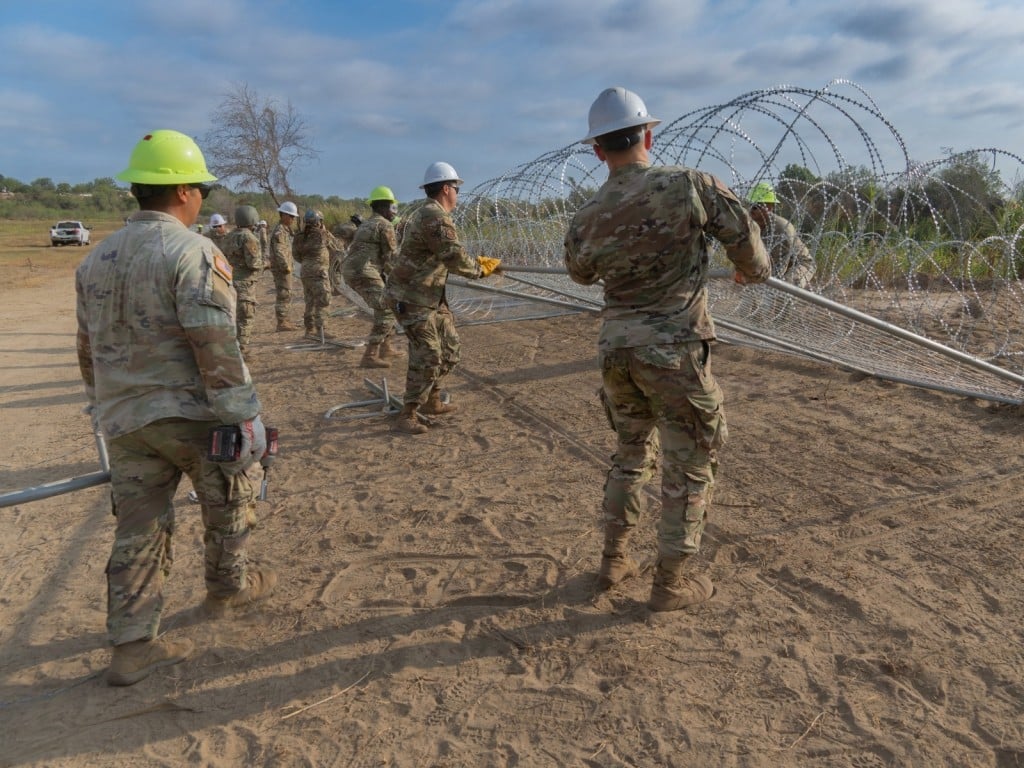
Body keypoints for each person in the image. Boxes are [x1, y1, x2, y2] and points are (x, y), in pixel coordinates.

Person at [75, 129, 276, 686]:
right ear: (184, 191)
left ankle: (132, 648)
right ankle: (226, 591)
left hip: (126, 420)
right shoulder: (193, 252)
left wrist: (105, 407)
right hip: (192, 417)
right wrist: (244, 415)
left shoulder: (96, 259)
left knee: (138, 528)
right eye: (202, 191)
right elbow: (214, 341)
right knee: (229, 499)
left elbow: (87, 349)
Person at [563, 87, 771, 612]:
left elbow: (581, 272)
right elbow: (747, 243)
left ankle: (613, 562)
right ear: (649, 135)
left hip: (618, 354)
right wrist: (750, 270)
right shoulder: (690, 186)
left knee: (631, 455)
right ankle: (670, 586)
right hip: (675, 349)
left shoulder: (587, 214)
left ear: (598, 150)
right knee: (690, 462)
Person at [386, 162, 501, 434]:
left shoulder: (432, 214)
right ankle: (408, 413)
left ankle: (432, 400)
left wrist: (482, 265)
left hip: (430, 297)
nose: (458, 195)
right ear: (446, 189)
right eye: (456, 189)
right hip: (411, 297)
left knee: (450, 351)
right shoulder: (434, 217)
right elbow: (453, 256)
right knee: (429, 354)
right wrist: (482, 269)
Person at [344, 186, 401, 368]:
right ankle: (370, 356)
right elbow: (391, 258)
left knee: (385, 304)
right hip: (364, 271)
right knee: (386, 309)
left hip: (355, 270)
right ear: (384, 208)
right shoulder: (385, 226)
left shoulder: (368, 223)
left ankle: (387, 348)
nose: (394, 213)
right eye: (393, 208)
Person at [747, 182, 815, 289]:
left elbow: (778, 270)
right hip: (774, 262)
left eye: (756, 206)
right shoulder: (749, 225)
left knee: (783, 288)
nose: (751, 210)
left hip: (800, 264)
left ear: (769, 207)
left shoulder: (781, 229)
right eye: (750, 205)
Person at [220, 204, 265, 354]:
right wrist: (267, 264)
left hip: (227, 281)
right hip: (244, 284)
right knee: (246, 316)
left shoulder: (229, 236)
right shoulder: (249, 237)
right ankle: (242, 350)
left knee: (231, 316)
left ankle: (231, 347)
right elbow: (253, 263)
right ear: (253, 219)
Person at [293, 208, 335, 338]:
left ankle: (309, 330)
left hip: (305, 271)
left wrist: (306, 262)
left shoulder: (299, 237)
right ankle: (320, 330)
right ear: (319, 221)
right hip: (319, 271)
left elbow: (296, 255)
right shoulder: (323, 234)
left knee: (309, 301)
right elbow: (337, 246)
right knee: (323, 300)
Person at [269, 201, 299, 331]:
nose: (293, 219)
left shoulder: (284, 229)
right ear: (284, 215)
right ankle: (282, 322)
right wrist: (286, 267)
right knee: (284, 294)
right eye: (291, 216)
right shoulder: (280, 231)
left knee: (286, 294)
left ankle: (284, 320)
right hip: (282, 269)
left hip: (283, 267)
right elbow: (279, 251)